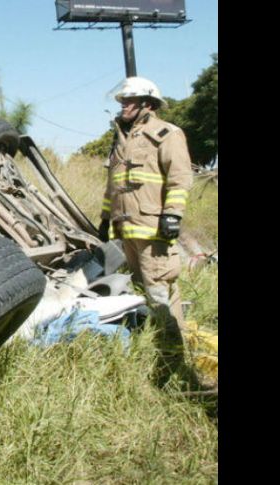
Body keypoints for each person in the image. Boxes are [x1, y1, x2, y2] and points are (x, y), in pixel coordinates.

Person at [98, 76, 194, 384]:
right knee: (141, 292)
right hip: (126, 232)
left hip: (154, 231)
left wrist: (173, 215)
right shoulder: (121, 140)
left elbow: (180, 178)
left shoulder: (167, 134)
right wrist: (104, 218)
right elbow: (113, 186)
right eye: (123, 101)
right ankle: (153, 349)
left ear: (147, 104)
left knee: (160, 292)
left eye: (129, 101)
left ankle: (171, 362)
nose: (123, 106)